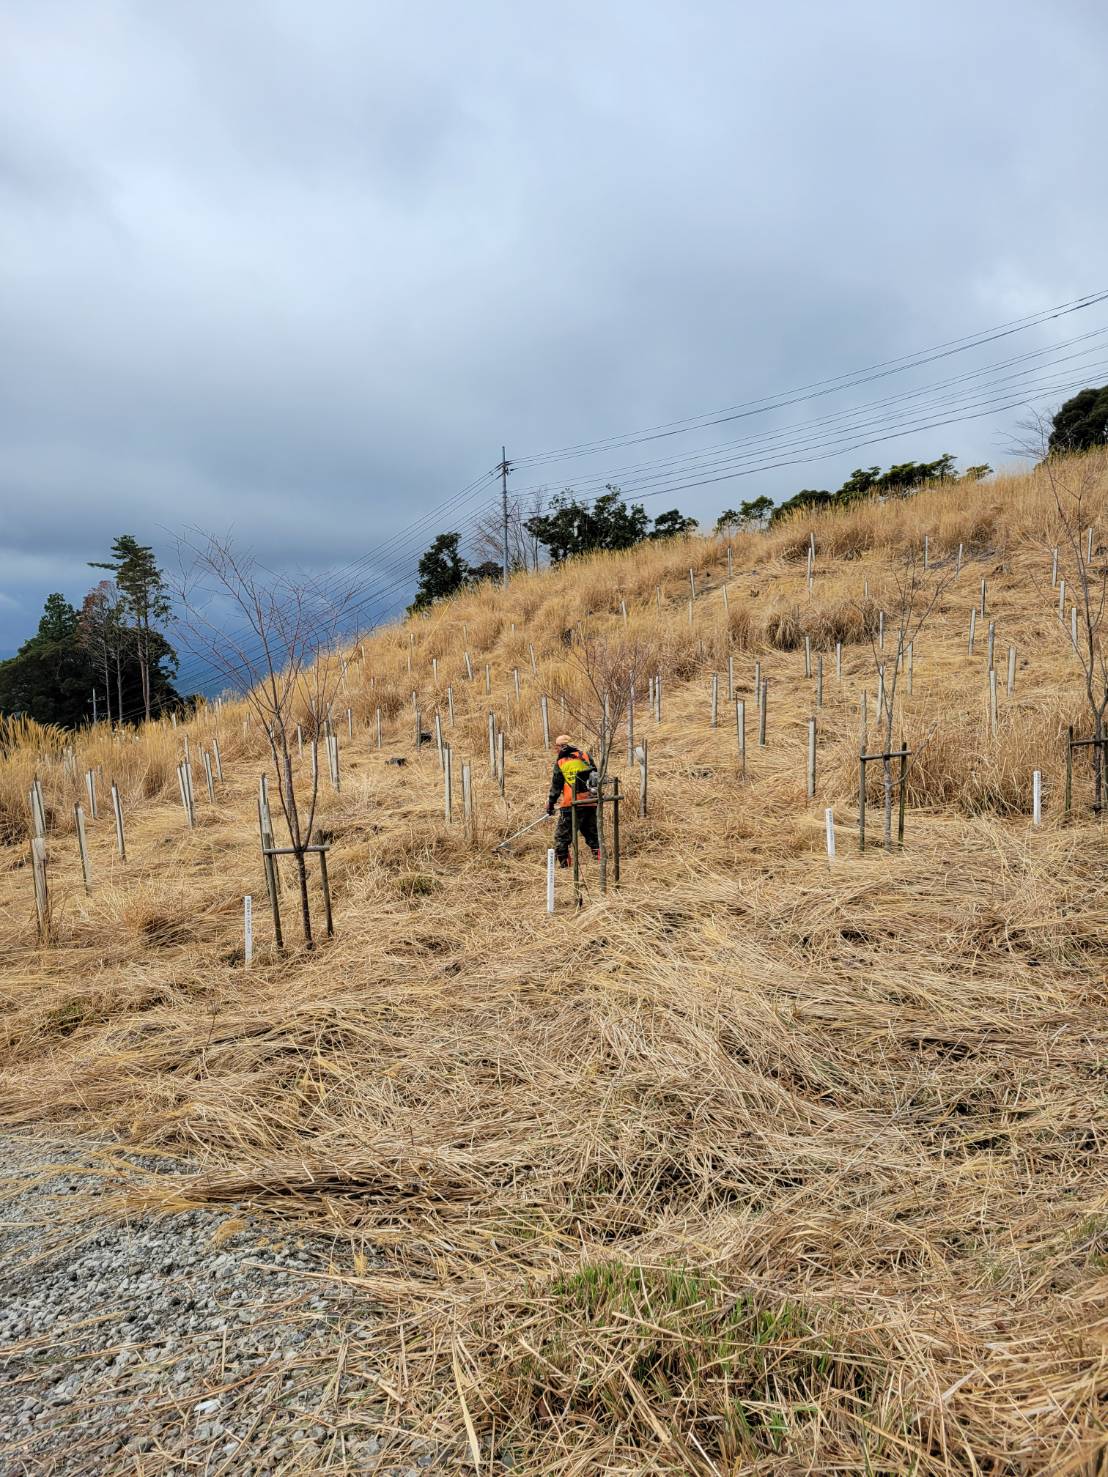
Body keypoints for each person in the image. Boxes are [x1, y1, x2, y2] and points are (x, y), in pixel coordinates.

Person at [546, 734, 600, 867]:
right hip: (590, 802)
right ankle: (600, 863)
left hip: (571, 805)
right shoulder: (586, 756)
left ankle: (565, 867)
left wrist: (551, 804)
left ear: (564, 747)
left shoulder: (561, 762)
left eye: (557, 747)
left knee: (561, 839)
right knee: (592, 835)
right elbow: (595, 777)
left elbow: (556, 786)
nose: (556, 750)